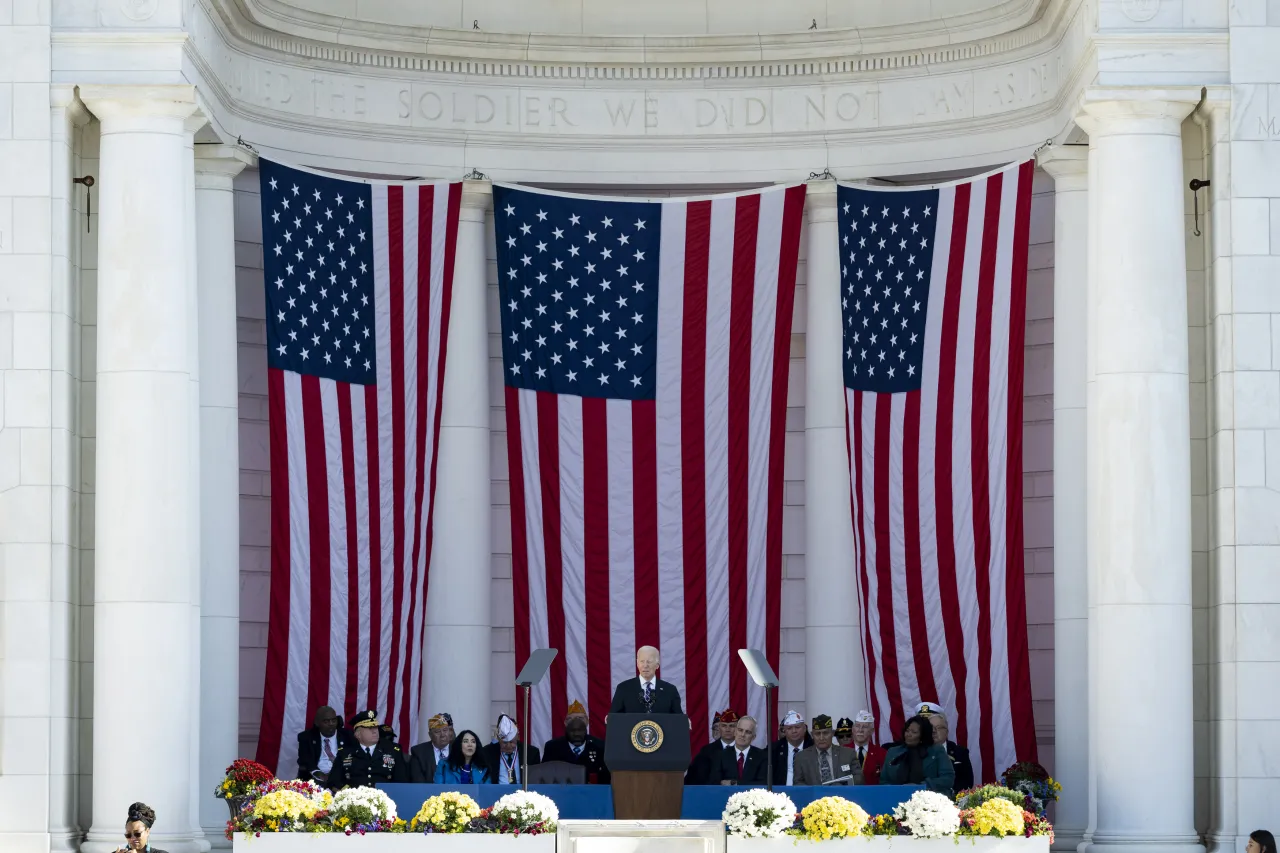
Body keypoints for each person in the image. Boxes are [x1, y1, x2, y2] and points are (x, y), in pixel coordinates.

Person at [328, 709, 409, 789]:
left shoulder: (392, 750)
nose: (375, 731)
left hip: (385, 799)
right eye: (370, 728)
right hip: (355, 800)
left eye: (375, 727)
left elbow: (402, 782)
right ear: (358, 734)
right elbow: (334, 782)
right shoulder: (345, 752)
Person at [879, 715, 954, 795]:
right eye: (907, 731)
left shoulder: (936, 751)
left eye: (914, 732)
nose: (908, 734)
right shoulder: (893, 752)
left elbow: (948, 778)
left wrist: (920, 787)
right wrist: (898, 789)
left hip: (929, 798)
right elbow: (883, 781)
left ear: (923, 735)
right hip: (896, 797)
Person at [543, 700, 610, 783]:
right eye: (571, 719)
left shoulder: (600, 746)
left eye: (580, 718)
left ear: (587, 721)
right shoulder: (552, 747)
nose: (576, 721)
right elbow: (545, 778)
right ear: (565, 722)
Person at [609, 646, 683, 714]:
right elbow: (615, 719)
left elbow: (677, 719)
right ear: (637, 664)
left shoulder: (670, 690)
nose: (645, 665)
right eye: (642, 661)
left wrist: (684, 721)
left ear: (657, 665)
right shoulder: (623, 688)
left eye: (649, 662)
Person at [794, 714, 862, 786]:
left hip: (842, 795)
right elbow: (797, 782)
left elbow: (859, 779)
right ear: (812, 735)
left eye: (825, 733)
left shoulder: (848, 754)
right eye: (817, 734)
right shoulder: (801, 757)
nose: (821, 738)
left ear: (832, 733)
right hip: (814, 796)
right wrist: (813, 791)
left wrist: (842, 787)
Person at [296, 705, 355, 784]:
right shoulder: (306, 737)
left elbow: (354, 758)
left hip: (343, 775)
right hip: (317, 778)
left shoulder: (348, 736)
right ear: (317, 723)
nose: (331, 724)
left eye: (334, 720)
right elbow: (305, 761)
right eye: (326, 721)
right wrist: (318, 774)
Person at [482, 714, 541, 784]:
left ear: (518, 737)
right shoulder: (487, 753)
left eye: (511, 742)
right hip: (497, 792)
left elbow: (537, 781)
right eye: (504, 743)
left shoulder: (531, 753)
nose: (508, 746)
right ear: (498, 738)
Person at [710, 715, 768, 785]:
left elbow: (763, 783)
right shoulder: (721, 755)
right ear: (735, 732)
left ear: (753, 737)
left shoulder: (762, 756)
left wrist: (734, 783)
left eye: (748, 732)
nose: (742, 735)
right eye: (740, 730)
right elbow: (714, 782)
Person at [687, 709, 738, 785]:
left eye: (731, 726)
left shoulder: (745, 750)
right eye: (724, 726)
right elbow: (695, 778)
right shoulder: (706, 752)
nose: (728, 729)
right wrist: (719, 783)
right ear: (719, 728)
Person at [928, 711, 974, 792]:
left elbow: (968, 782)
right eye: (930, 728)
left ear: (946, 731)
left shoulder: (960, 752)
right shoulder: (919, 752)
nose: (934, 731)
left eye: (938, 728)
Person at [408, 713, 455, 783]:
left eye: (445, 730)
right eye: (437, 732)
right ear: (430, 735)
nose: (442, 735)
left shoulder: (458, 749)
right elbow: (418, 782)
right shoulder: (418, 752)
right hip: (428, 792)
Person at [771, 709, 813, 786]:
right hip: (781, 793)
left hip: (807, 792)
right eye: (789, 728)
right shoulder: (774, 749)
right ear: (784, 731)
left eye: (797, 727)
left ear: (804, 729)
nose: (794, 731)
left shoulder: (813, 746)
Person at [848, 710, 886, 785]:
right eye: (857, 726)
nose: (860, 730)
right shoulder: (842, 751)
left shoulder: (882, 753)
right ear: (852, 729)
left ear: (872, 731)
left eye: (865, 727)